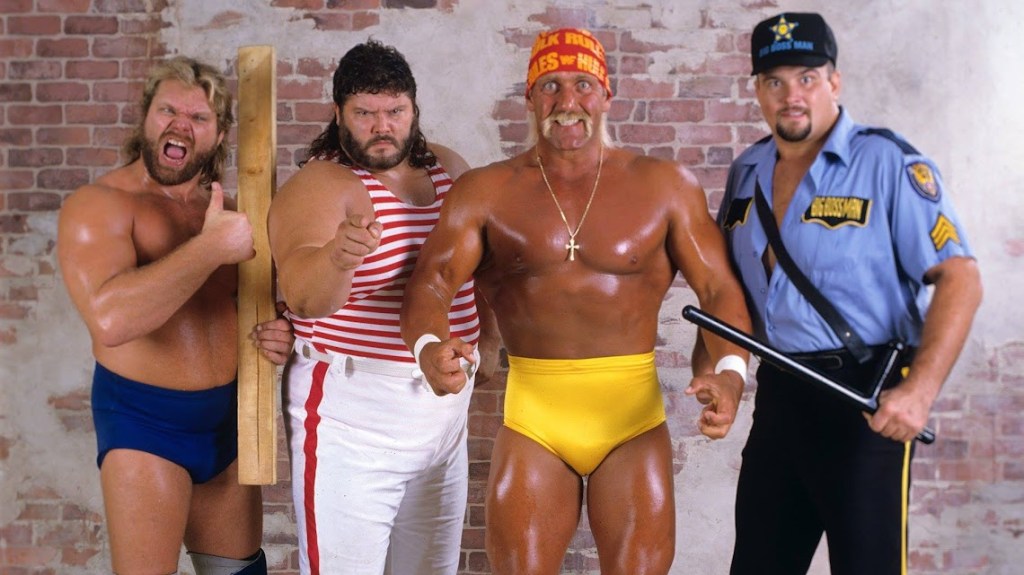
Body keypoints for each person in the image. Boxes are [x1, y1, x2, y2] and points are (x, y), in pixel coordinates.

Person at [400, 27, 753, 575]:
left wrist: (730, 374)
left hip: (632, 417)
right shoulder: (486, 191)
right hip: (534, 416)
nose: (568, 101)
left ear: (607, 95)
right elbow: (432, 281)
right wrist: (428, 346)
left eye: (583, 84)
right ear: (529, 98)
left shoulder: (665, 186)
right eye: (550, 86)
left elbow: (719, 289)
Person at [714, 12, 983, 575]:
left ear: (834, 82)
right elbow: (724, 293)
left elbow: (960, 277)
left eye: (807, 78)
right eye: (775, 81)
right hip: (780, 398)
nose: (791, 95)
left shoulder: (887, 162)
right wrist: (727, 376)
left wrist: (919, 392)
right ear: (757, 90)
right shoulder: (746, 172)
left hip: (865, 402)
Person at [267, 40, 499, 575]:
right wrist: (339, 256)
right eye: (365, 114)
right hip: (354, 416)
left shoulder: (448, 168)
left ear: (414, 109)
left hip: (443, 414)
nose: (382, 127)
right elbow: (303, 296)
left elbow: (483, 265)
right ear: (339, 114)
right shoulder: (322, 184)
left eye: (395, 111)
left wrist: (489, 338)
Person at [56, 56, 294, 575]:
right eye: (168, 110)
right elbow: (111, 321)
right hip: (145, 425)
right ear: (146, 116)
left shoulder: (233, 213)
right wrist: (209, 249)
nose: (180, 125)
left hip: (227, 422)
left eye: (199, 117)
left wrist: (278, 333)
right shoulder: (99, 204)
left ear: (220, 134)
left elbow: (250, 310)